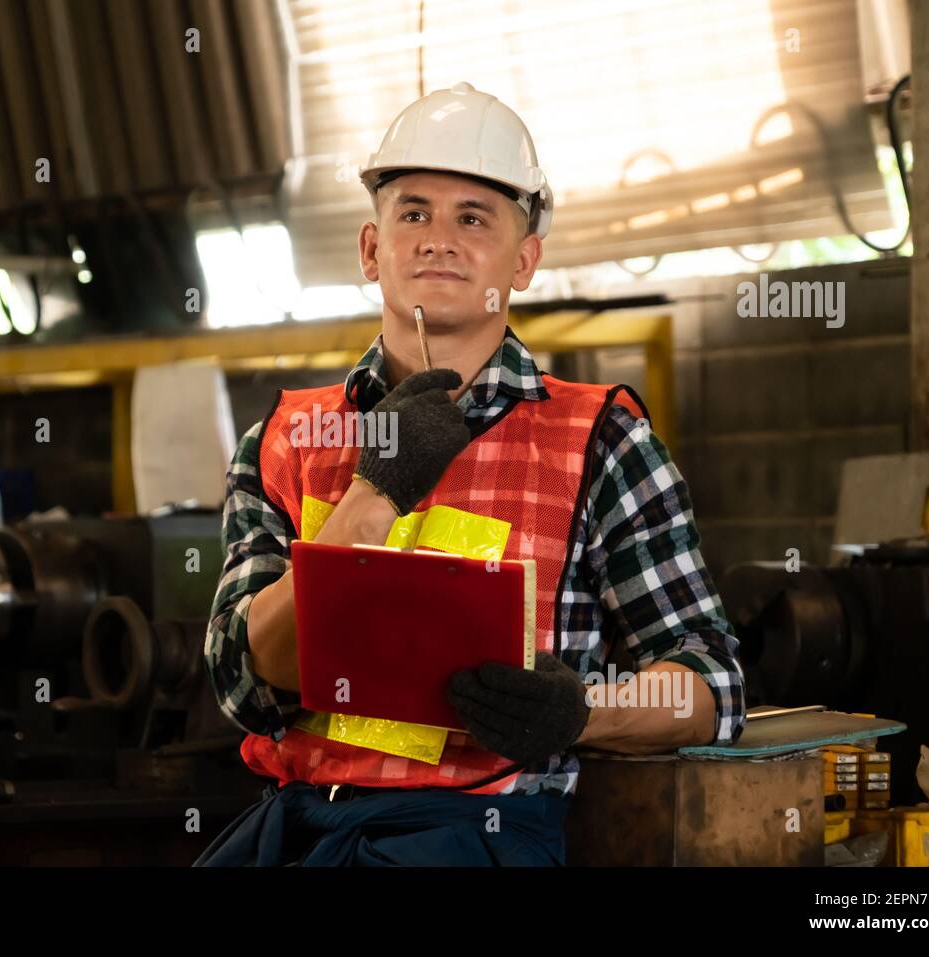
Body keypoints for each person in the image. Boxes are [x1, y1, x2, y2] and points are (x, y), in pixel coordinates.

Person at [196, 83, 745, 866]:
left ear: (524, 260)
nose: (437, 240)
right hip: (296, 829)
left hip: (477, 837)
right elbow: (243, 682)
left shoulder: (600, 441)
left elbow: (712, 685)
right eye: (412, 212)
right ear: (369, 248)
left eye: (474, 217)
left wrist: (579, 711)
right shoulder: (285, 440)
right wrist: (373, 492)